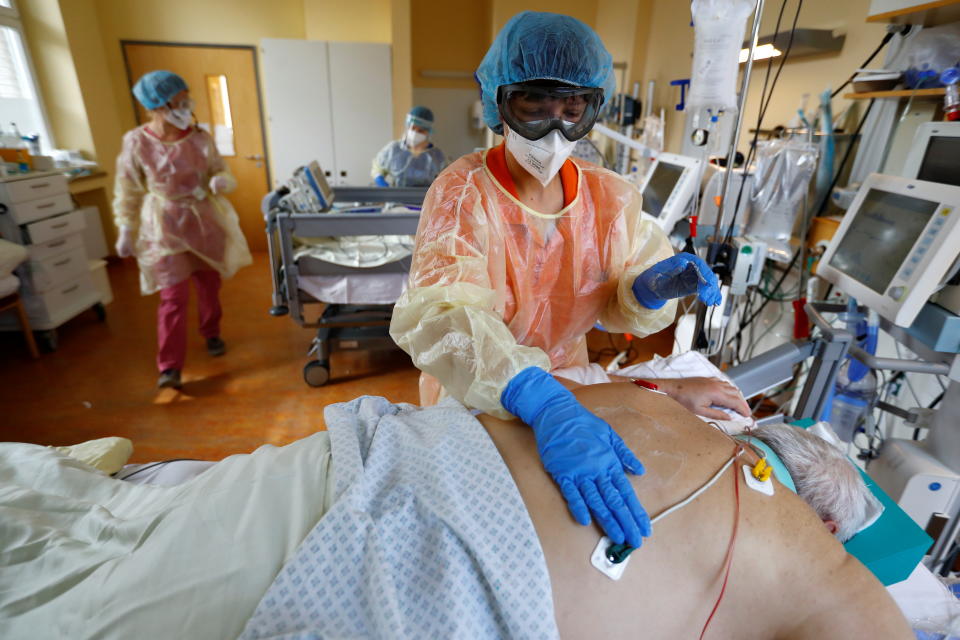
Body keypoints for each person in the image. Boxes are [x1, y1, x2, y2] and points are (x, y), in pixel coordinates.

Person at [0, 385, 913, 638]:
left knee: (105, 547)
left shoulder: (663, 409)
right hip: (369, 552)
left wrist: (560, 398)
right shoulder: (835, 581)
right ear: (829, 522)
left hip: (342, 464)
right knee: (80, 610)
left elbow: (537, 380)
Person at [390, 11, 724, 551]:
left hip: (571, 390)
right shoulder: (461, 194)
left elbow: (616, 296)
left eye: (572, 110)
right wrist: (536, 397)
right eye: (534, 107)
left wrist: (647, 289)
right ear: (497, 101)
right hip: (477, 393)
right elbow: (443, 318)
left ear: (595, 108)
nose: (553, 131)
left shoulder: (609, 198)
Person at [113, 70, 252, 390]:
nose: (186, 106)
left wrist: (223, 182)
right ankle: (170, 365)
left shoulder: (200, 138)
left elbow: (222, 172)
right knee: (173, 297)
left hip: (203, 222)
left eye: (187, 99)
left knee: (208, 286)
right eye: (178, 101)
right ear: (157, 105)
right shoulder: (137, 142)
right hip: (163, 226)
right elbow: (128, 190)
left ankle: (211, 332)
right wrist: (124, 229)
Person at [371, 106, 446, 187]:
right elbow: (378, 168)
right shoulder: (393, 149)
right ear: (407, 126)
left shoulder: (437, 156)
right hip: (397, 198)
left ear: (429, 131)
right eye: (413, 128)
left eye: (421, 130)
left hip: (425, 198)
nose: (415, 133)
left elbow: (446, 177)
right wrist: (380, 179)